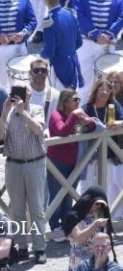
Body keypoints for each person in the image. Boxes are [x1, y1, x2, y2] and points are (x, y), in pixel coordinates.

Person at [0, 81, 47, 264]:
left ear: (29, 96)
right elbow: (0, 136)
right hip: (13, 165)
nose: (19, 95)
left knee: (36, 208)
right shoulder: (8, 114)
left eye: (23, 92)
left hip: (34, 163)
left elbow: (38, 130)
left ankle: (39, 247)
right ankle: (22, 247)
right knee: (17, 210)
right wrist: (5, 112)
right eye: (16, 91)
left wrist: (23, 112)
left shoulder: (36, 110)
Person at [73, 0, 123, 97]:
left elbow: (121, 17)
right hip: (86, 44)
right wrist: (95, 35)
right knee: (84, 85)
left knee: (108, 87)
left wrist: (108, 35)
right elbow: (80, 16)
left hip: (107, 43)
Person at [48, 90, 93, 232]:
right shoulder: (56, 115)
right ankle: (54, 226)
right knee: (56, 195)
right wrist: (74, 116)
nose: (78, 101)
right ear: (65, 101)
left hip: (75, 162)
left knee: (68, 196)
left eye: (79, 99)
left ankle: (66, 224)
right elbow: (62, 131)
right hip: (57, 162)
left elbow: (92, 127)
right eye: (74, 99)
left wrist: (87, 121)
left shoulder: (78, 113)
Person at [80, 78, 123, 201]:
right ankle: (85, 212)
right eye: (101, 89)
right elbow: (78, 126)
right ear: (96, 90)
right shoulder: (87, 108)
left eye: (107, 90)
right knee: (87, 187)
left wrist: (119, 123)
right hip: (89, 154)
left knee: (105, 186)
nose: (104, 92)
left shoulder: (113, 106)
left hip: (107, 153)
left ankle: (101, 211)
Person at [40, 0, 83, 90]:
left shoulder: (49, 21)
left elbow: (49, 52)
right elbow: (79, 42)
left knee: (59, 98)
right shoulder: (70, 14)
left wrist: (40, 55)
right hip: (73, 65)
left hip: (59, 68)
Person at [64, 186, 114, 271]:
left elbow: (108, 236)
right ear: (89, 200)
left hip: (98, 256)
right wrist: (94, 225)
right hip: (79, 259)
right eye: (96, 204)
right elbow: (79, 239)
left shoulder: (99, 214)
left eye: (101, 205)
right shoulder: (73, 216)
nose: (99, 206)